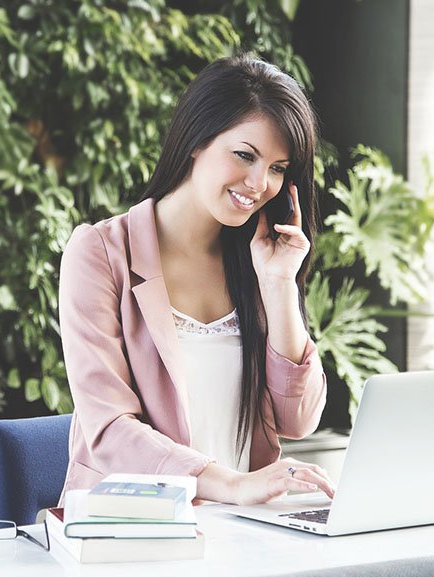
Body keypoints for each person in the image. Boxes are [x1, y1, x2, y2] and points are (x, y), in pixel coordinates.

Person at [58, 55, 334, 506]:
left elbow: (298, 419)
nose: (260, 183)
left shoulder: (258, 260)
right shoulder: (101, 253)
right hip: (133, 528)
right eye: (245, 155)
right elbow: (109, 429)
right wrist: (232, 484)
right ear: (195, 141)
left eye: (279, 168)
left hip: (245, 533)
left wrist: (280, 286)